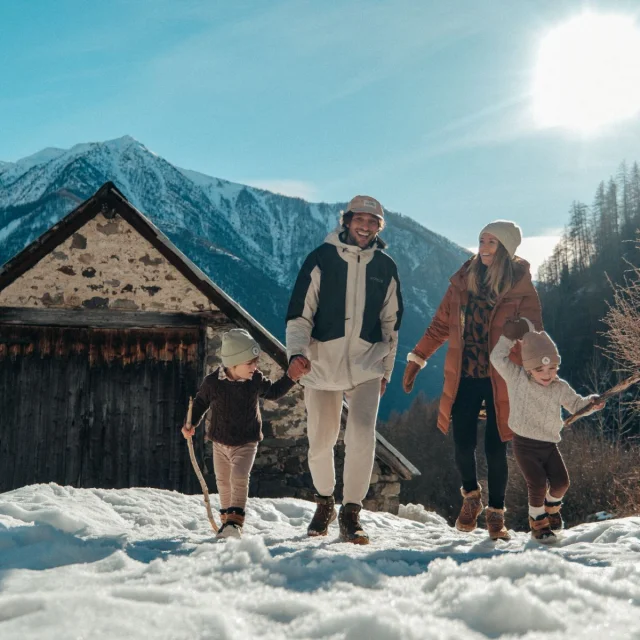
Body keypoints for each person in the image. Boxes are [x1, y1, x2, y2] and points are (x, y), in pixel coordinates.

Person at [403, 220, 542, 541]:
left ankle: (496, 514)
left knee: (496, 448)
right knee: (462, 443)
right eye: (482, 240)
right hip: (465, 374)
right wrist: (418, 358)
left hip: (502, 378)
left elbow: (535, 334)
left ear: (505, 249)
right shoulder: (462, 282)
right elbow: (439, 325)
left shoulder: (521, 288)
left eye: (492, 242)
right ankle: (471, 497)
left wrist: (528, 355)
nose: (484, 247)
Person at [286, 195, 403, 544]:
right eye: (360, 220)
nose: (365, 228)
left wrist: (386, 371)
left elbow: (391, 323)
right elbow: (300, 314)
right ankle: (325, 502)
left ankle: (351, 513)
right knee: (320, 441)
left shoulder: (386, 266)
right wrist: (296, 353)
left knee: (362, 434)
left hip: (367, 364)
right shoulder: (320, 259)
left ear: (378, 228)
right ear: (347, 221)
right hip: (321, 364)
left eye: (373, 223)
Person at [490, 318, 605, 542]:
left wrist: (592, 403)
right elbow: (497, 358)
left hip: (549, 444)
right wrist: (508, 338)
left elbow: (576, 406)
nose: (547, 373)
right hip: (524, 444)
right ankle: (538, 523)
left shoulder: (559, 387)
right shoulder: (517, 378)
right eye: (539, 368)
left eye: (552, 368)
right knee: (538, 484)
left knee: (562, 483)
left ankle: (552, 507)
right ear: (528, 368)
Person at [182, 328, 295, 539]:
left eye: (255, 362)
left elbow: (274, 392)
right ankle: (226, 521)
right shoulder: (213, 383)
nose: (255, 367)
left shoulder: (255, 381)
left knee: (239, 476)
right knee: (223, 481)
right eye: (250, 363)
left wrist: (291, 377)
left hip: (246, 441)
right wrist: (190, 423)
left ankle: (235, 521)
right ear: (233, 363)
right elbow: (200, 403)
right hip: (219, 443)